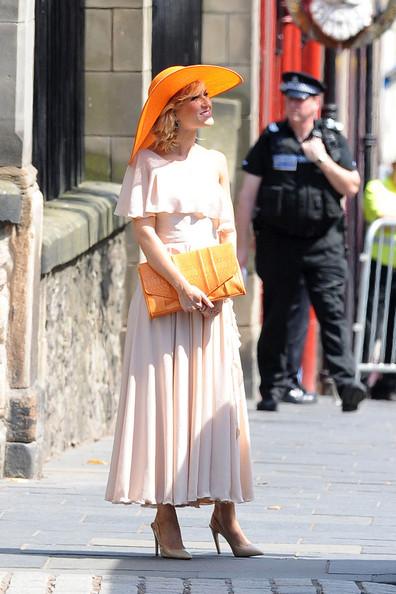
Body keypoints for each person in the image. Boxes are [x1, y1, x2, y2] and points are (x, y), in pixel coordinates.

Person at [105, 65, 262, 559]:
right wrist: (184, 284)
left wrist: (224, 281)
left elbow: (226, 228)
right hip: (169, 292)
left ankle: (226, 515)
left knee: (220, 403)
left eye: (207, 96)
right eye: (196, 98)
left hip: (211, 295)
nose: (207, 103)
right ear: (173, 109)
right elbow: (146, 234)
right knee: (164, 404)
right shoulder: (146, 163)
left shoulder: (215, 159)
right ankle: (165, 518)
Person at [236, 71, 367, 413]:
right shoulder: (272, 138)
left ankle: (347, 383)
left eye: (301, 99)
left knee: (332, 313)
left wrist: (322, 159)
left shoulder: (332, 138)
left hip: (323, 243)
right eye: (290, 98)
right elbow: (247, 194)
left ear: (316, 104)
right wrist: (241, 246)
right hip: (279, 241)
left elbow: (351, 186)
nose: (294, 105)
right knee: (277, 314)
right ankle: (272, 388)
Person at [363, 157, 396, 400]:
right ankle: (364, 377)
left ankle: (389, 381)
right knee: (372, 322)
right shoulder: (377, 187)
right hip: (381, 265)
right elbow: (377, 213)